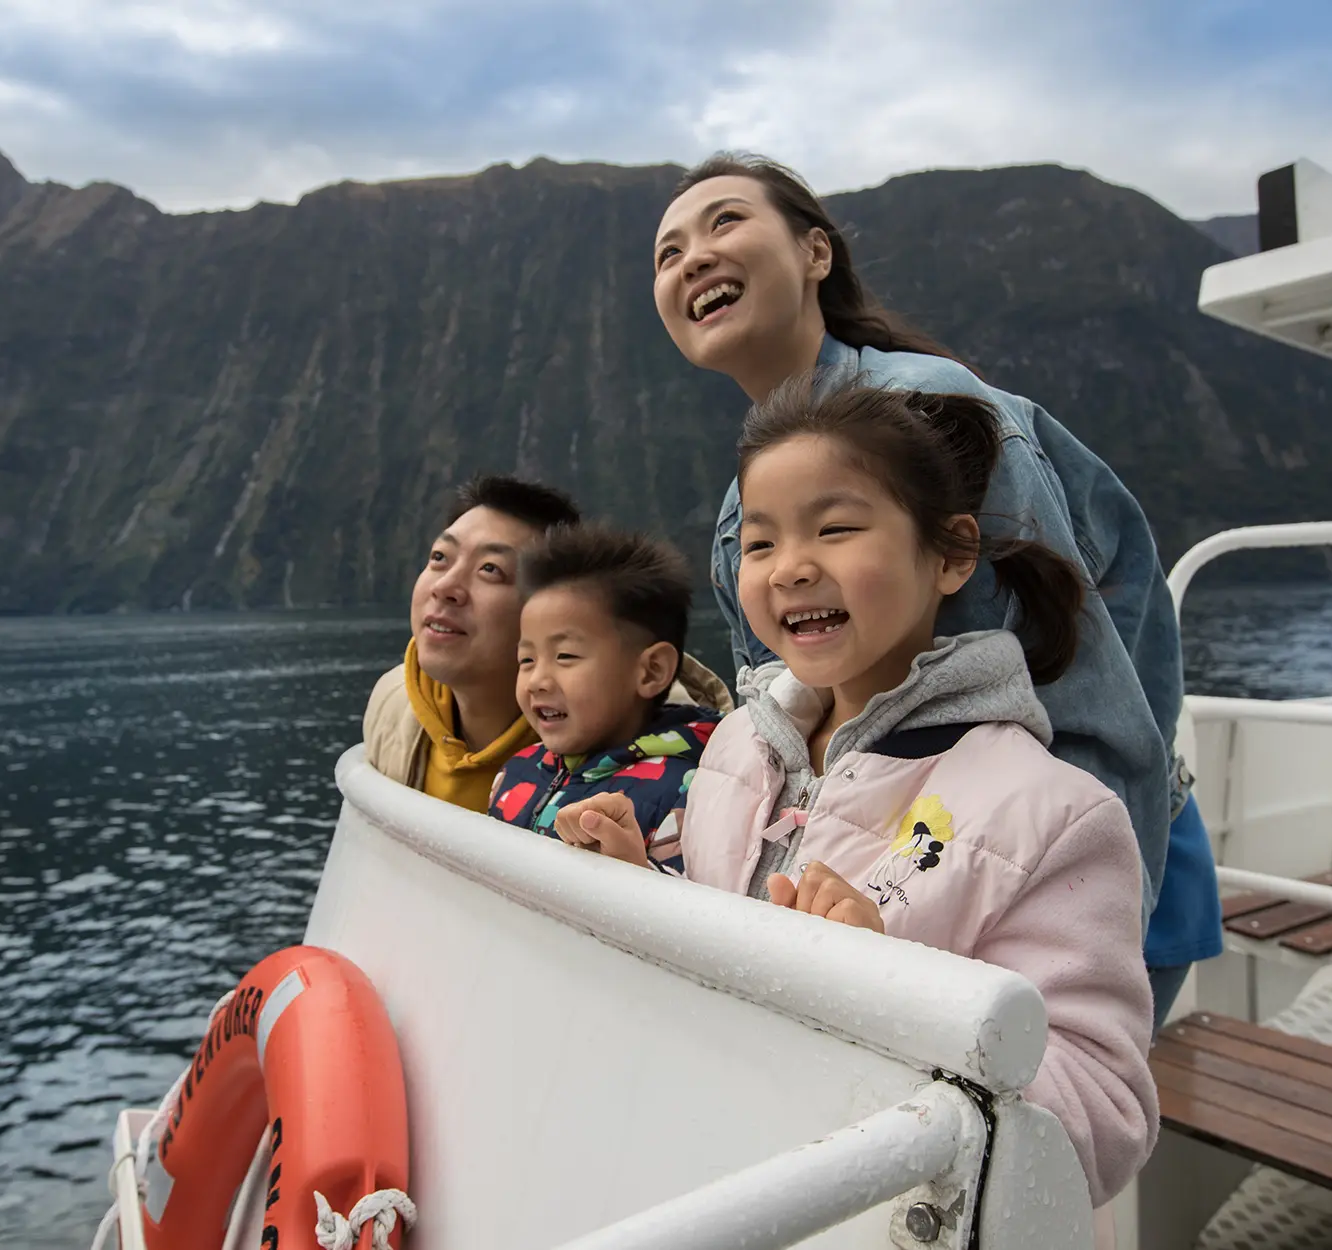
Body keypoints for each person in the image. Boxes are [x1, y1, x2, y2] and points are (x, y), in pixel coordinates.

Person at [650, 152, 1222, 1028]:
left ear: (815, 253)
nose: (691, 257)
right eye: (667, 252)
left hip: (1064, 869)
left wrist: (1097, 913)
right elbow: (786, 735)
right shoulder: (745, 510)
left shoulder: (935, 416)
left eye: (725, 222)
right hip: (891, 893)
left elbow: (1084, 698)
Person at [556, 380, 1157, 1208]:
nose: (793, 567)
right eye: (760, 545)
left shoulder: (1053, 816)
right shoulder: (738, 747)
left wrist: (892, 995)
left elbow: (1104, 1116)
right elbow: (720, 947)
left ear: (950, 554)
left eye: (835, 530)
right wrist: (639, 882)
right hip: (731, 1181)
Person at [363, 474, 731, 810]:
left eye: (490, 569)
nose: (445, 588)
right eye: (439, 558)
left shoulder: (664, 756)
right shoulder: (395, 704)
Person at [487, 523, 723, 873]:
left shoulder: (691, 792)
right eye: (526, 660)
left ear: (651, 671)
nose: (536, 680)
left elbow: (689, 912)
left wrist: (637, 870)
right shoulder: (515, 770)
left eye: (565, 656)